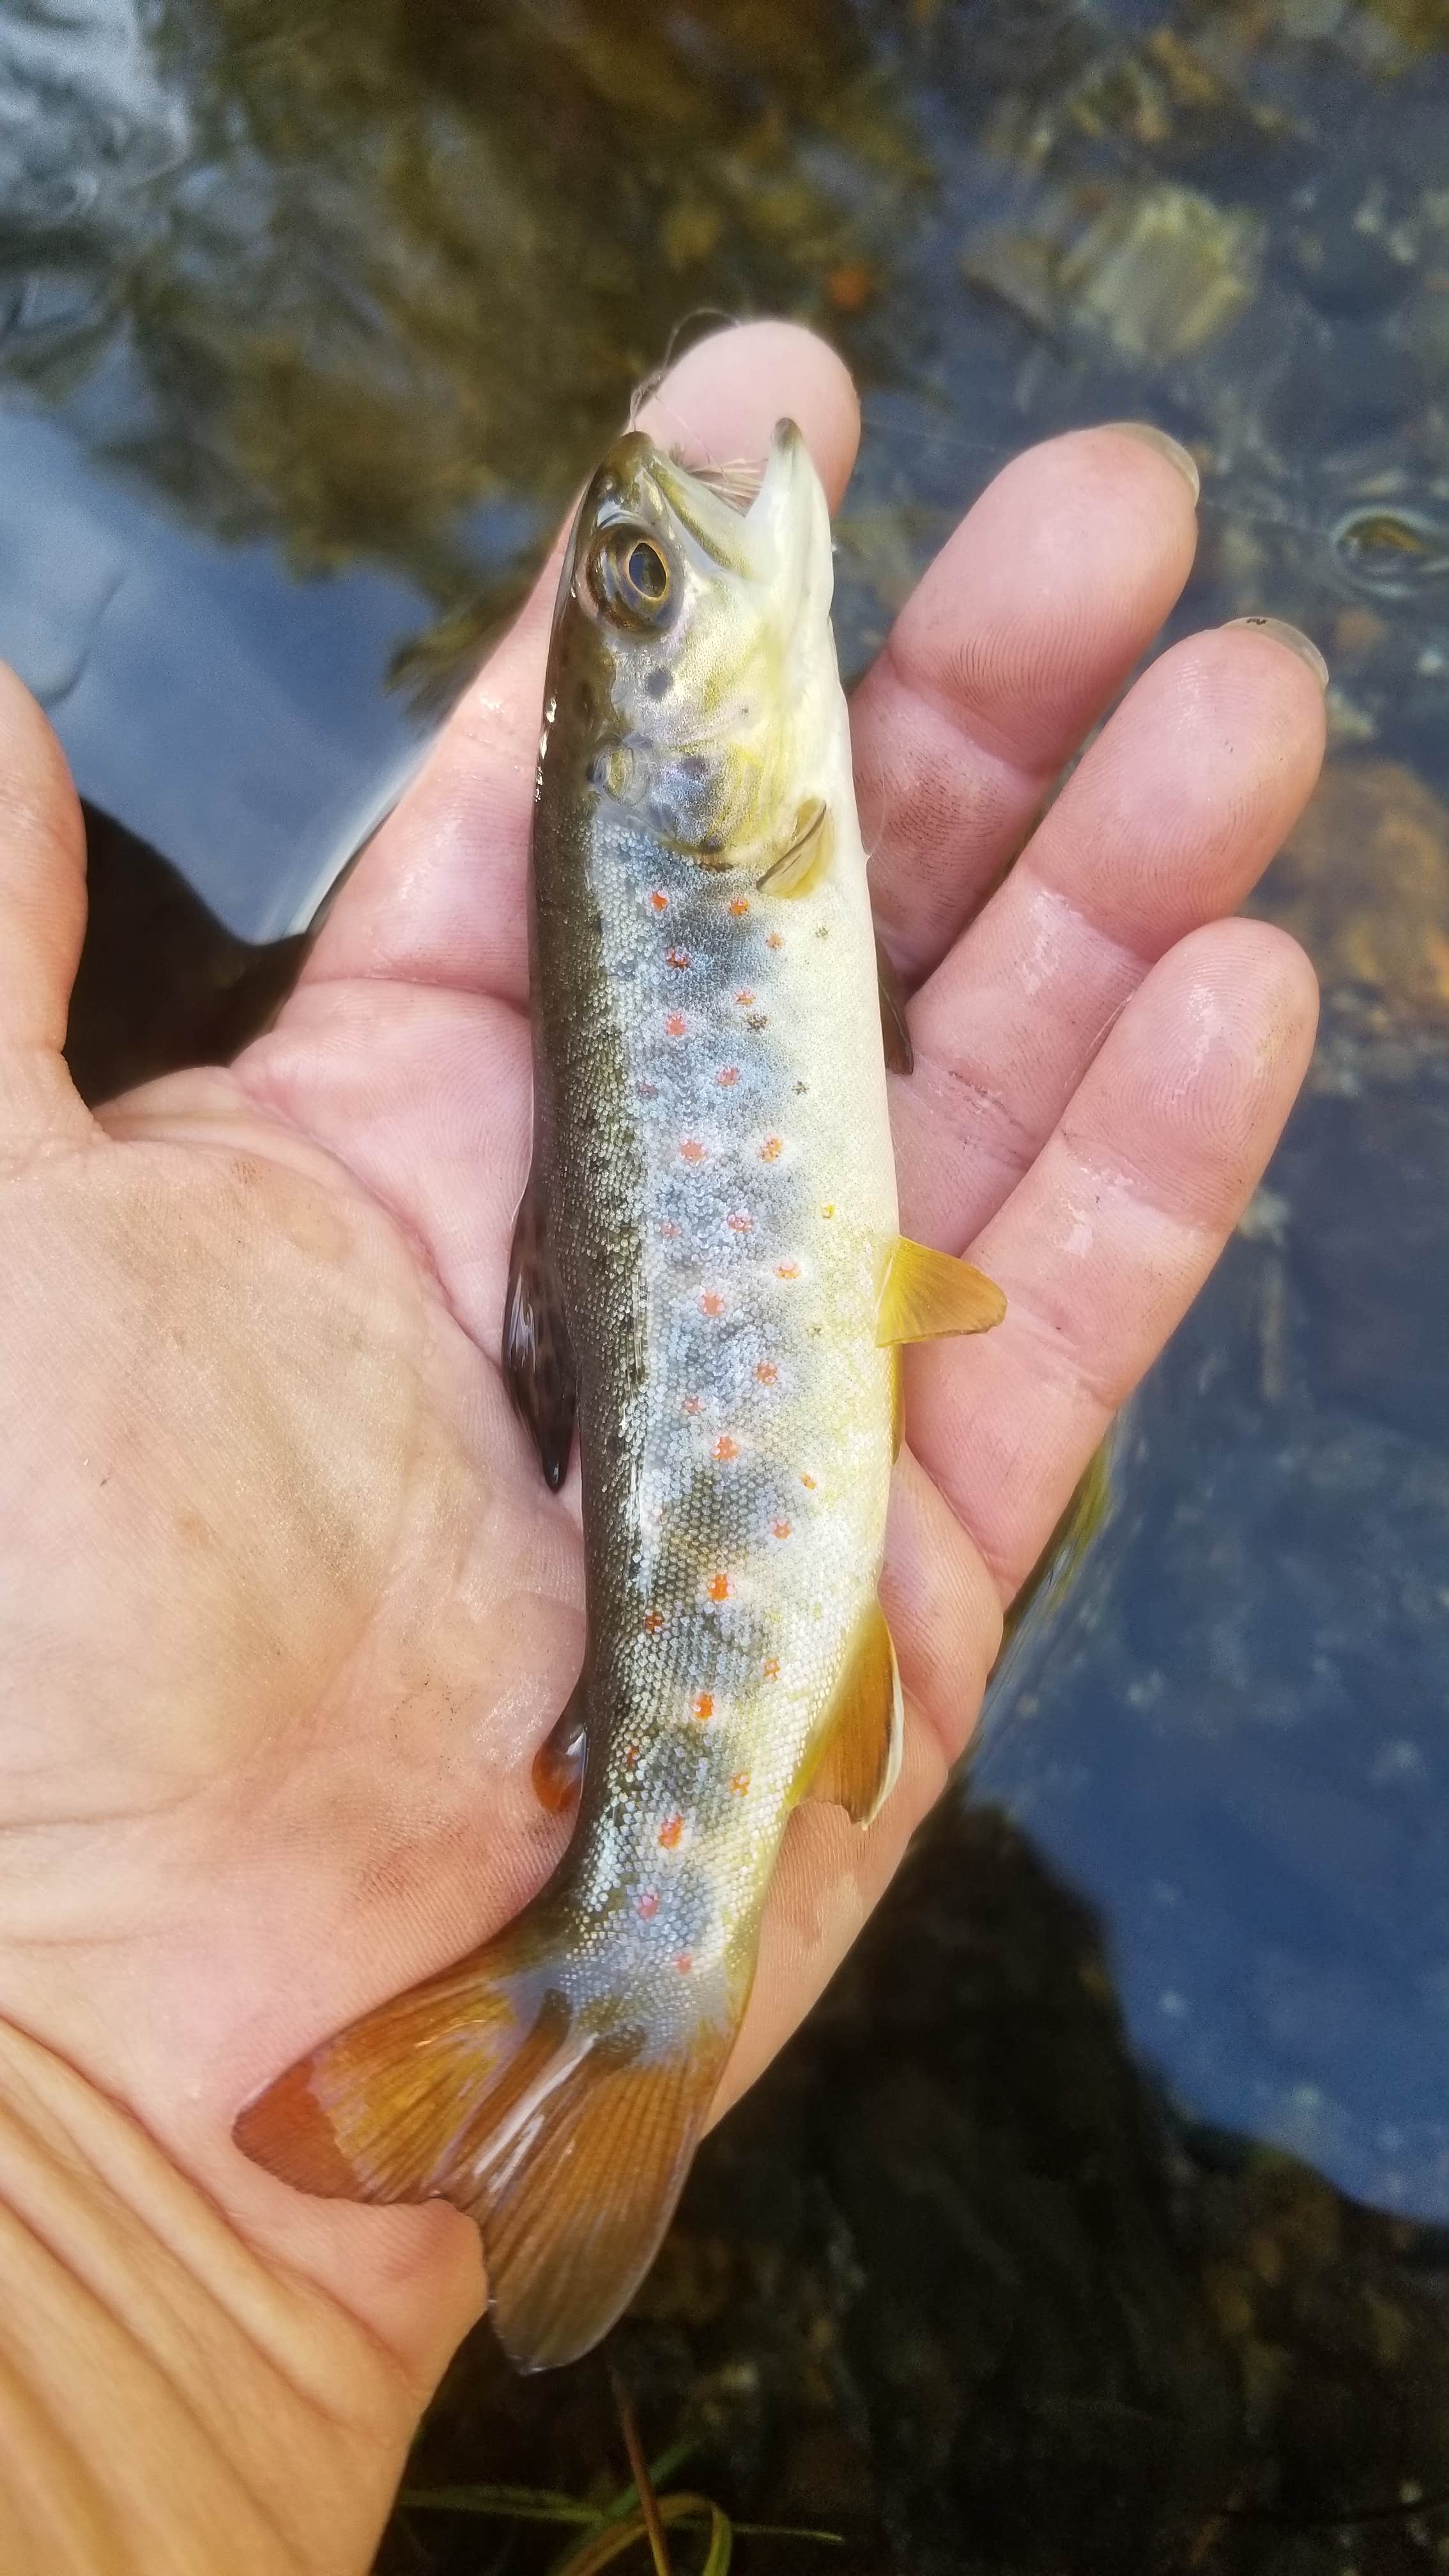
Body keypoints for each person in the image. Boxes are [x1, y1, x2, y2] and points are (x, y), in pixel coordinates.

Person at [0, 320, 1325, 2571]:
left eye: (632, 586)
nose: (666, 548)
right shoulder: (720, 815)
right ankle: (627, 1957)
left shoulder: (728, 809)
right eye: (638, 591)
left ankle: (616, 1966)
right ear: (667, 755)